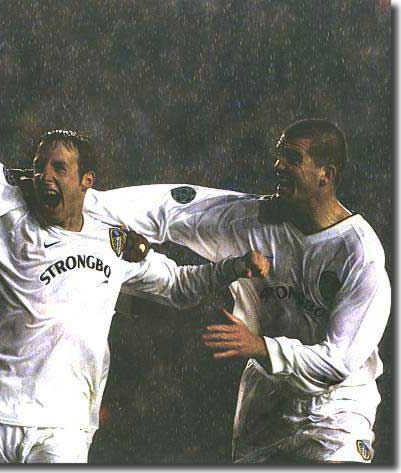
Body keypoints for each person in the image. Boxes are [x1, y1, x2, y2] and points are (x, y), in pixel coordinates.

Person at [0, 24, 270, 463]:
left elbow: (178, 285)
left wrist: (230, 268)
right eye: (39, 168)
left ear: (86, 182)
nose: (45, 178)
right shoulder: (6, 221)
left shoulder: (113, 242)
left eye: (59, 169)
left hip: (66, 423)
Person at [83, 119, 391, 463]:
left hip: (338, 407)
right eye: (279, 156)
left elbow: (339, 363)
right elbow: (171, 208)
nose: (278, 166)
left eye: (292, 158)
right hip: (266, 401)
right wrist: (81, 204)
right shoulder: (253, 220)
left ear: (326, 174)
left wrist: (260, 346)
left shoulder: (358, 254)